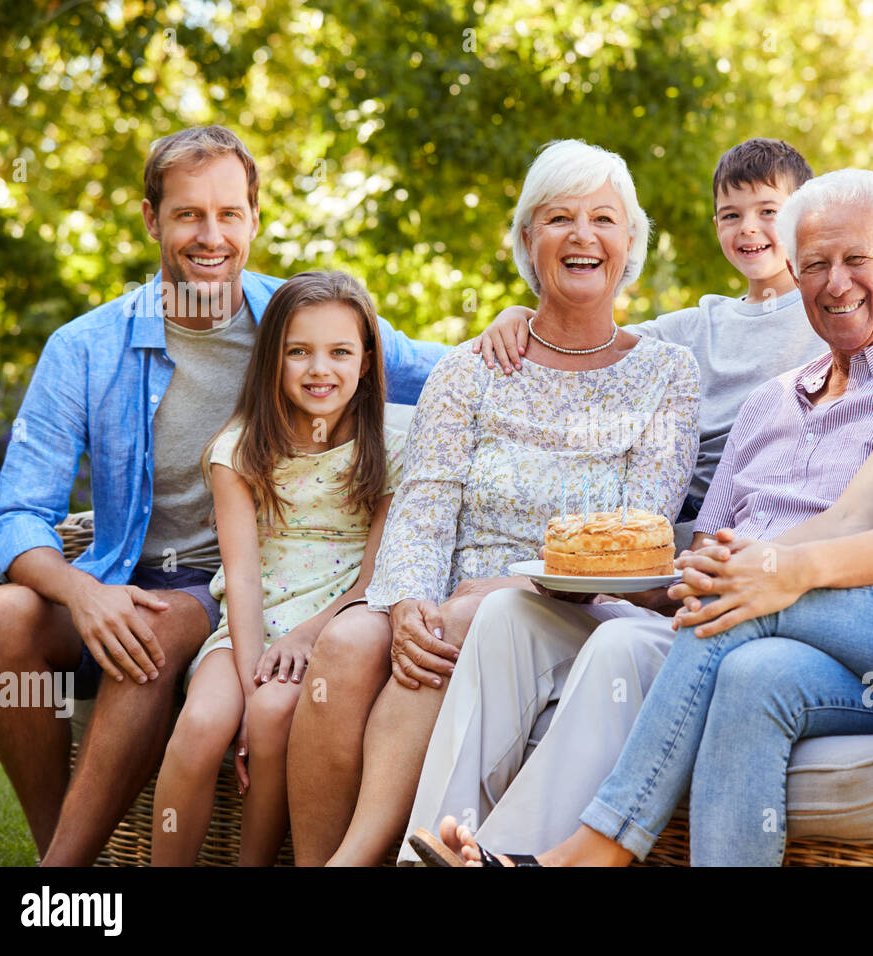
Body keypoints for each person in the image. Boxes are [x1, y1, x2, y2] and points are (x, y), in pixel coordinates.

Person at [443, 126, 873, 867]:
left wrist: (785, 575)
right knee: (756, 673)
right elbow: (853, 513)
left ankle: (585, 855)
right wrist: (748, 560)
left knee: (746, 603)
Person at [405, 168, 873, 865]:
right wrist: (643, 578)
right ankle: (434, 850)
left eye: (857, 260)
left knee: (621, 648)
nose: (834, 283)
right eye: (814, 265)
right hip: (698, 610)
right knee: (508, 617)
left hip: (801, 622)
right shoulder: (768, 402)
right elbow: (697, 549)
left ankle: (513, 858)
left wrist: (736, 577)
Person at [0, 125, 445, 866]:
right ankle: (58, 853)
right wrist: (83, 593)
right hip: (118, 572)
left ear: (255, 219)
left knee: (148, 639)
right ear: (152, 220)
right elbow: (13, 520)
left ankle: (58, 883)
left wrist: (524, 325)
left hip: (215, 584)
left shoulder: (295, 324)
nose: (210, 235)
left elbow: (447, 370)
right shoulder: (84, 348)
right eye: (189, 214)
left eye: (230, 213)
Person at [283, 139, 700, 866]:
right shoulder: (472, 366)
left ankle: (378, 855)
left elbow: (641, 533)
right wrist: (408, 600)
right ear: (526, 239)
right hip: (452, 593)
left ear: (629, 242)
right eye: (558, 218)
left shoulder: (667, 372)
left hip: (584, 608)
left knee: (472, 616)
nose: (582, 236)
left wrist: (513, 582)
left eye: (603, 218)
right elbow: (424, 504)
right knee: (351, 641)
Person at [149, 271, 406, 865]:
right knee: (202, 728)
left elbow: (374, 580)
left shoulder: (389, 449)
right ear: (272, 360)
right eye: (299, 352)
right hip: (248, 625)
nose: (321, 369)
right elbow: (238, 577)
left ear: (366, 361)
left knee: (270, 716)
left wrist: (304, 637)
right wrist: (245, 680)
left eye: (340, 351)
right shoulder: (238, 449)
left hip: (333, 623)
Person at [474, 138, 824, 549]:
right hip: (684, 511)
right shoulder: (699, 324)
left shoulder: (826, 312)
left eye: (768, 212)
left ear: (803, 217)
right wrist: (520, 315)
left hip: (764, 508)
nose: (748, 227)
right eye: (731, 215)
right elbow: (588, 345)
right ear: (717, 226)